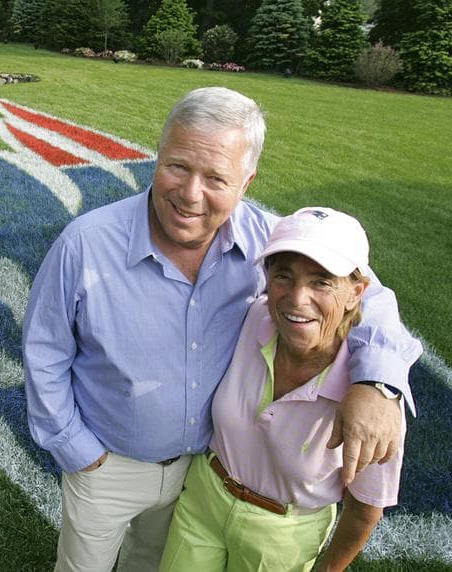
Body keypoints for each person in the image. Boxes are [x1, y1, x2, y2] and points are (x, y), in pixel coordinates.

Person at [22, 87, 420, 572]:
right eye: (178, 166)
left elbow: (366, 292)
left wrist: (377, 383)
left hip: (199, 470)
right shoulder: (85, 243)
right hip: (107, 464)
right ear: (158, 154)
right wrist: (75, 448)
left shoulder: (268, 239)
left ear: (246, 181)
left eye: (215, 177)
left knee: (150, 563)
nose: (190, 194)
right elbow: (44, 351)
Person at [159, 207, 422, 572]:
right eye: (284, 276)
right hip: (203, 499)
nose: (297, 298)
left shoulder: (375, 402)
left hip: (282, 538)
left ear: (356, 292)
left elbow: (364, 509)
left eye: (321, 282)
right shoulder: (253, 319)